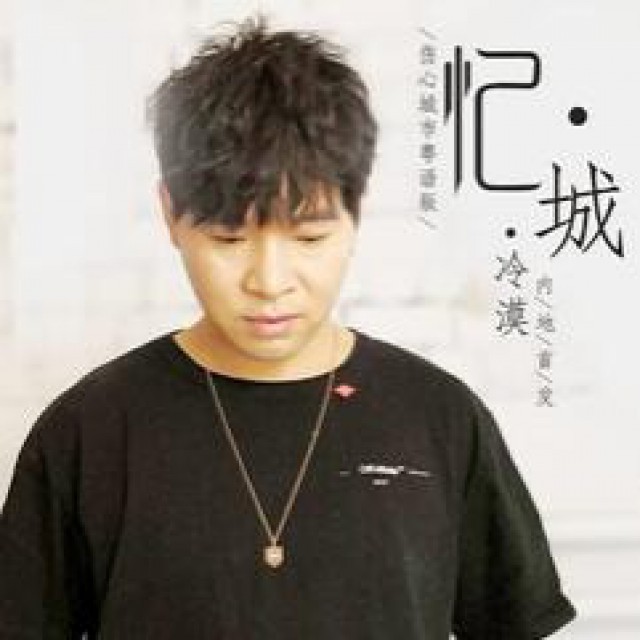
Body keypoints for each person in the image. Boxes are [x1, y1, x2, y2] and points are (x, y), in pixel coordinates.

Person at [0, 15, 576, 639]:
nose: (269, 281)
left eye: (309, 237)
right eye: (229, 238)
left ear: (356, 213)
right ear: (169, 213)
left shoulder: (439, 417)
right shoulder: (88, 432)